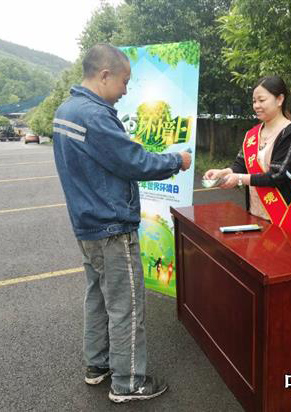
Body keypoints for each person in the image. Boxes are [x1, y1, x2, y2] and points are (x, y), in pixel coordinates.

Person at [52, 43, 191, 403]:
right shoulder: (96, 116)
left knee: (98, 297)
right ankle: (128, 382)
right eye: (125, 81)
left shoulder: (66, 111)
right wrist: (177, 160)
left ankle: (97, 364)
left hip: (87, 224)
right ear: (104, 75)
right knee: (126, 307)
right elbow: (134, 162)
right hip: (112, 227)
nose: (126, 90)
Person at [203, 76, 291, 235]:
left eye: (262, 100)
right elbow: (241, 165)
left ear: (280, 99)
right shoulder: (252, 135)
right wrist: (224, 172)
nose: (256, 105)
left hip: (282, 215)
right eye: (254, 101)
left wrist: (239, 178)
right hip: (255, 213)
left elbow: (277, 176)